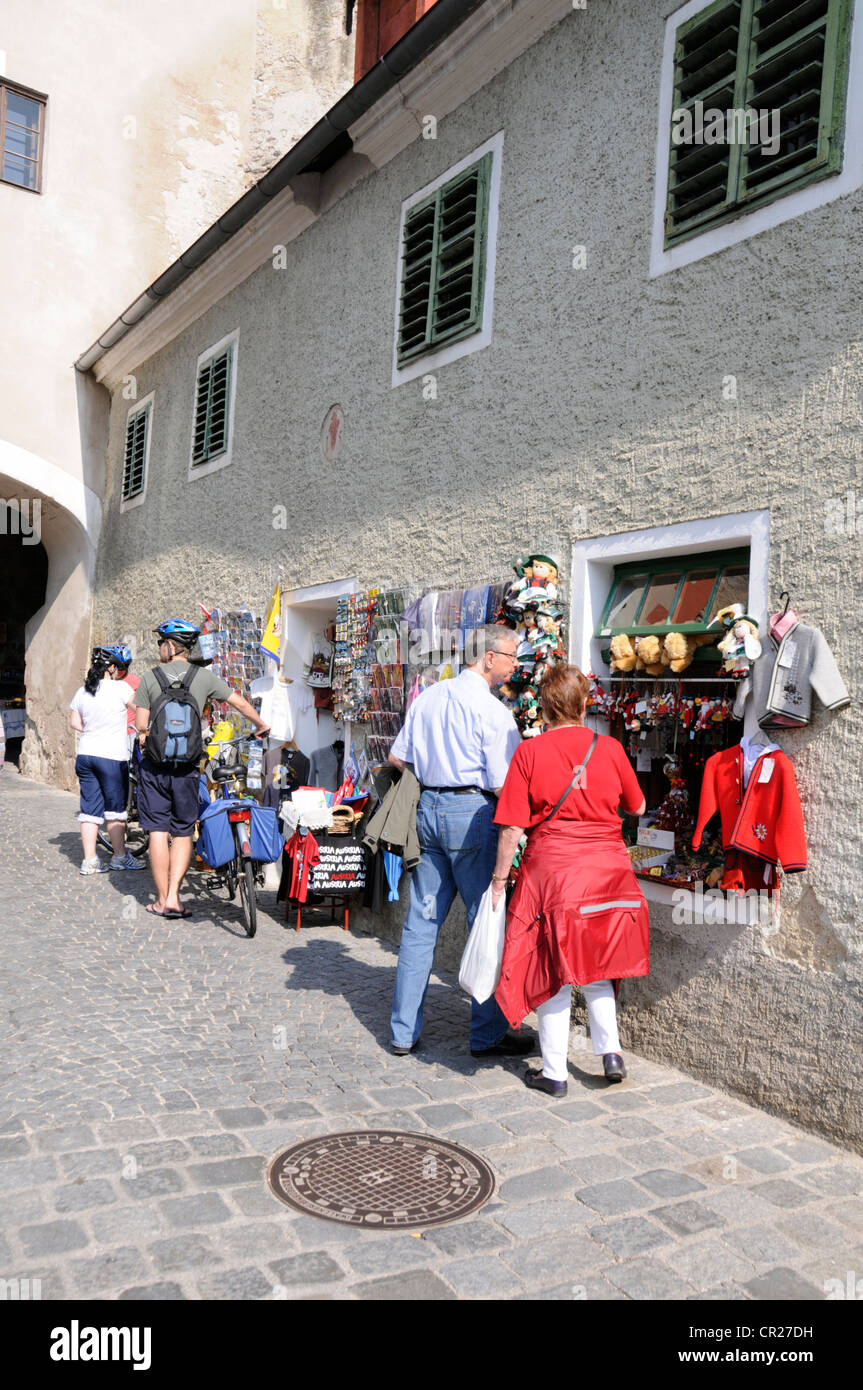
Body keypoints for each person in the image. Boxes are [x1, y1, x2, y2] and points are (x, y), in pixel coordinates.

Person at [490, 664, 649, 1095]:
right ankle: (610, 1051)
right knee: (599, 965)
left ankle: (555, 1073)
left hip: (555, 876)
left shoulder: (530, 753)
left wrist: (499, 880)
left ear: (544, 707)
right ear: (583, 704)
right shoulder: (611, 748)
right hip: (608, 875)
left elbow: (510, 828)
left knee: (552, 968)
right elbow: (637, 806)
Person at [387, 624, 535, 1059]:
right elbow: (506, 783)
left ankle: (401, 1032)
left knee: (420, 924)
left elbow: (398, 757)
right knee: (484, 920)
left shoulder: (429, 697)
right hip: (471, 814)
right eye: (510, 656)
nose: (514, 665)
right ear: (488, 657)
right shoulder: (492, 711)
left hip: (428, 810)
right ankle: (487, 1034)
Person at [133, 620, 270, 919]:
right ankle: (174, 898)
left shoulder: (149, 677)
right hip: (189, 768)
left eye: (160, 643)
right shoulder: (204, 677)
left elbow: (141, 725)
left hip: (155, 767)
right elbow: (239, 703)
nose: (159, 648)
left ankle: (159, 900)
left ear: (170, 646)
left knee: (157, 830)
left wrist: (147, 730)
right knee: (183, 831)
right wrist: (260, 725)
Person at [69, 647, 145, 874]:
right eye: (118, 667)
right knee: (115, 811)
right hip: (111, 756)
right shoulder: (121, 688)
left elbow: (74, 722)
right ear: (111, 668)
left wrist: (93, 730)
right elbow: (140, 710)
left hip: (86, 754)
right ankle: (120, 857)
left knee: (89, 810)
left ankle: (90, 860)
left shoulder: (82, 691)